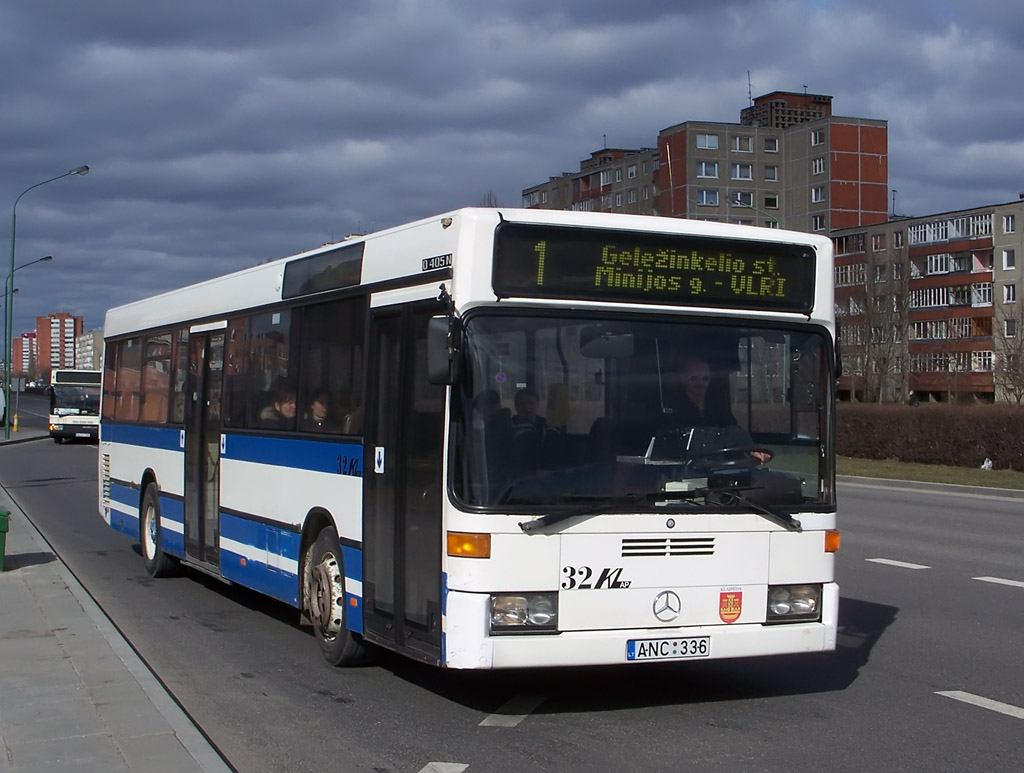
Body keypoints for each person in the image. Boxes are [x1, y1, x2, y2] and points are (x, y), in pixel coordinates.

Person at [667, 356, 769, 464]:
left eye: (705, 378)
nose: (700, 383)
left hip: (718, 470)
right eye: (694, 378)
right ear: (683, 379)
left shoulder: (717, 408)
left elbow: (733, 431)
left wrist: (753, 450)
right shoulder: (672, 410)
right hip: (686, 474)